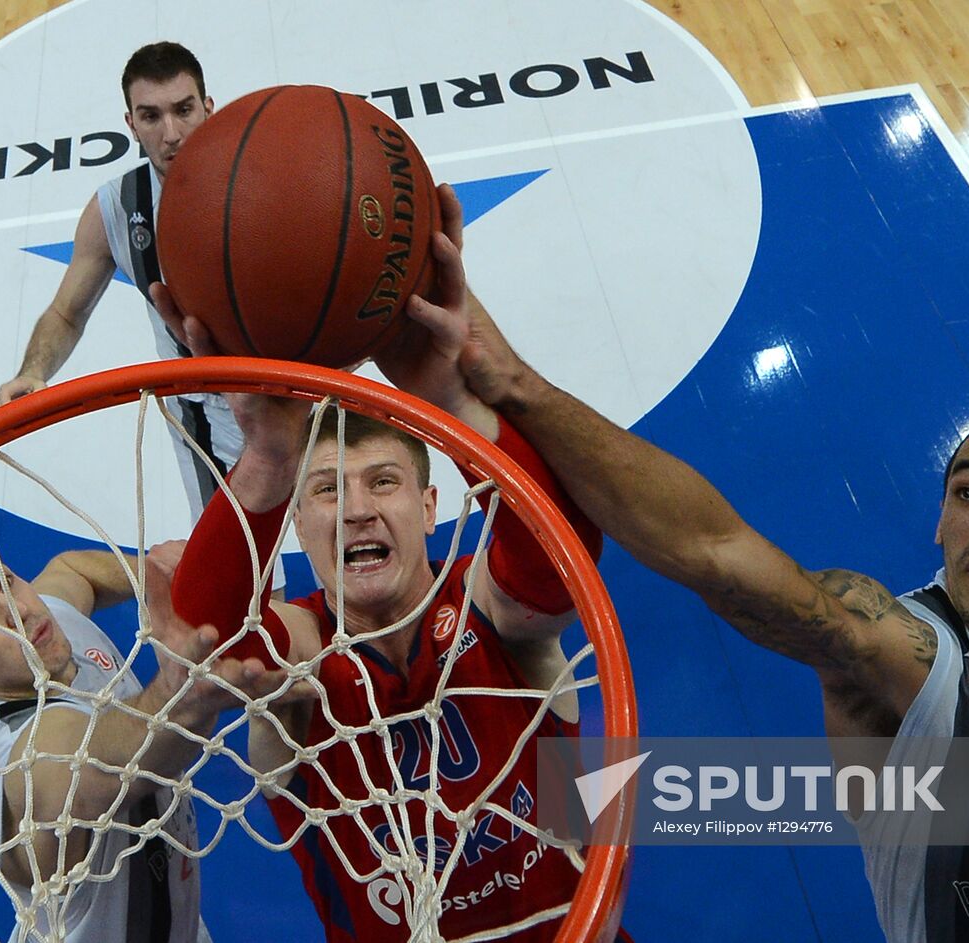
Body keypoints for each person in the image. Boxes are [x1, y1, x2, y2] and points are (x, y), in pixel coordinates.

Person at [402, 234, 969, 942]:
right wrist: (513, 385)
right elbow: (713, 549)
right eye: (967, 493)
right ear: (940, 527)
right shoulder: (906, 659)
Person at [148, 186, 624, 942]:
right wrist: (270, 454)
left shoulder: (482, 603)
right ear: (299, 523)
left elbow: (554, 568)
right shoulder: (302, 649)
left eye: (384, 482)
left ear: (430, 507)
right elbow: (217, 642)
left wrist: (449, 400)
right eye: (328, 490)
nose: (358, 508)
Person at [0, 41, 284, 595]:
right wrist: (35, 371)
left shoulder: (269, 178)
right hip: (210, 419)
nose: (171, 132)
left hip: (295, 394)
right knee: (251, 586)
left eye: (183, 109)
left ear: (210, 107)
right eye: (151, 115)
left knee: (348, 545)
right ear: (131, 122)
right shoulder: (117, 208)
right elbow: (65, 311)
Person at [0, 539, 282, 942]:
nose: (20, 611)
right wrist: (178, 699)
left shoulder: (44, 629)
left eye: (5, 582)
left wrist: (153, 574)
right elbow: (105, 762)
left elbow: (71, 570)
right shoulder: (25, 758)